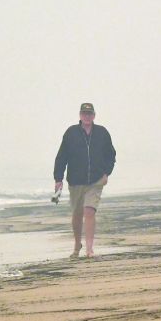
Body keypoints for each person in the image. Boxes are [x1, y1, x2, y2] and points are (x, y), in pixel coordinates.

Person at [53, 102, 116, 258]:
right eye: (84, 114)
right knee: (77, 214)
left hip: (96, 180)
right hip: (75, 180)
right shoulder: (71, 133)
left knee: (89, 212)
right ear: (80, 116)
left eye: (89, 114)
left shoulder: (102, 133)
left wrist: (106, 173)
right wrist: (58, 178)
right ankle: (77, 244)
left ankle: (89, 249)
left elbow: (111, 155)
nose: (87, 116)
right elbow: (62, 157)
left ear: (94, 116)